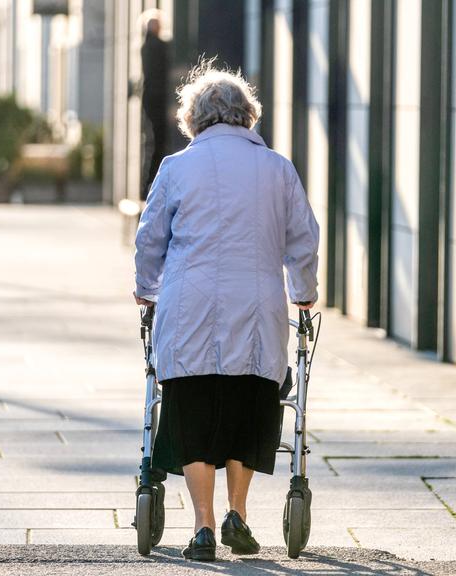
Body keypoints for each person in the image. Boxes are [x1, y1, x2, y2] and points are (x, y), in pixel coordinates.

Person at [133, 61, 319, 562]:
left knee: (192, 409)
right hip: (257, 310)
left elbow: (150, 238)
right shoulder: (278, 168)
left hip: (190, 308)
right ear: (248, 116)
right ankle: (238, 511)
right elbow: (302, 237)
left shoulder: (177, 168)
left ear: (194, 118)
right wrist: (304, 289)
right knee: (246, 404)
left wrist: (145, 287)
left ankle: (203, 527)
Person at [140, 12, 169, 201]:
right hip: (157, 102)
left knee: (154, 144)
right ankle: (148, 185)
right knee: (157, 144)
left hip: (153, 102)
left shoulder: (147, 46)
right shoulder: (154, 46)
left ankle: (147, 185)